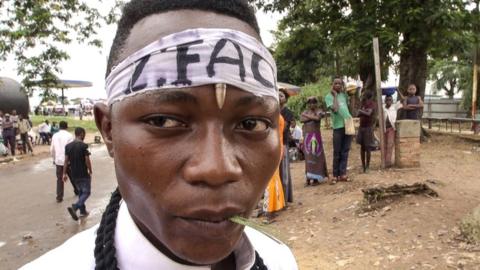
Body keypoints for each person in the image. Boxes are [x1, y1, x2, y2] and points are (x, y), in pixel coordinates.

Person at [21, 1, 298, 269]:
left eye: (251, 124)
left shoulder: (278, 260)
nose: (217, 169)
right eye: (164, 121)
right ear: (108, 130)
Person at [325, 78, 354, 183]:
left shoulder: (344, 95)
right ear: (332, 84)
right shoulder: (328, 97)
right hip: (338, 126)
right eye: (335, 83)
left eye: (339, 83)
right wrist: (335, 96)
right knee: (337, 151)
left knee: (345, 151)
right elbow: (335, 109)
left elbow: (348, 106)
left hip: (348, 123)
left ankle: (343, 174)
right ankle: (335, 175)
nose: (337, 85)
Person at [65, 127, 92, 220]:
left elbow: (66, 161)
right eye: (84, 134)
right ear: (81, 134)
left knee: (81, 192)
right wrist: (90, 170)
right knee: (87, 192)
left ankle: (83, 211)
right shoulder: (83, 146)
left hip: (74, 174)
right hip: (83, 173)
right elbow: (87, 160)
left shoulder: (68, 146)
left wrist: (64, 174)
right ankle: (75, 207)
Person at [262, 116, 286, 222]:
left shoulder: (275, 117)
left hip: (272, 150)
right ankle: (276, 206)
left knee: (270, 179)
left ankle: (270, 210)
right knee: (274, 179)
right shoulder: (277, 116)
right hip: (274, 149)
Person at [300, 97, 328, 185]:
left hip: (316, 137)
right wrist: (312, 117)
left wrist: (307, 116)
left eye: (314, 103)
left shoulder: (318, 111)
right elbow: (301, 120)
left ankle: (316, 179)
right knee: (308, 158)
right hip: (307, 137)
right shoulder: (306, 111)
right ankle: (308, 179)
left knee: (316, 157)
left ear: (316, 103)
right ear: (308, 104)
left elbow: (318, 119)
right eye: (310, 103)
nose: (312, 104)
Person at [50, 121, 76, 202]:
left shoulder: (55, 135)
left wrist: (54, 159)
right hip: (68, 160)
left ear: (59, 127)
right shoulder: (69, 135)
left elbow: (52, 149)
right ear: (67, 127)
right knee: (72, 176)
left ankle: (59, 197)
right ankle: (78, 190)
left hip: (59, 160)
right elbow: (72, 148)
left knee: (59, 179)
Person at [279, 89, 294, 203]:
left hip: (283, 142)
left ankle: (284, 197)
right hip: (273, 144)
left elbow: (283, 128)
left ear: (286, 99)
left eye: (281, 96)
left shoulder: (287, 112)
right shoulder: (272, 110)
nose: (278, 97)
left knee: (284, 172)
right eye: (277, 95)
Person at [356, 91, 376, 173]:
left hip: (368, 128)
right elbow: (357, 114)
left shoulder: (372, 104)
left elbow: (369, 113)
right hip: (362, 128)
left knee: (368, 147)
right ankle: (363, 166)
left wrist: (361, 111)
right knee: (362, 147)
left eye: (364, 95)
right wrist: (361, 111)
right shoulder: (363, 104)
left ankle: (367, 166)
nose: (363, 97)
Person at [383, 94, 403, 167]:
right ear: (385, 100)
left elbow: (403, 99)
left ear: (392, 101)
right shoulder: (383, 108)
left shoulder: (394, 107)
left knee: (390, 144)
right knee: (384, 145)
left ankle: (388, 162)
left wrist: (397, 90)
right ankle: (384, 161)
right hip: (384, 129)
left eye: (390, 100)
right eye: (387, 99)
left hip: (392, 128)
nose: (389, 101)